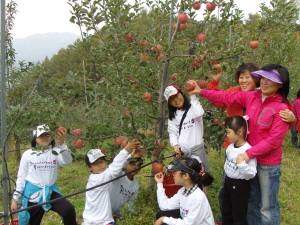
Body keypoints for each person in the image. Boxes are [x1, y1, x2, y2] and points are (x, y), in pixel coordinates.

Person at [189, 64, 292, 225]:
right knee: (251, 201)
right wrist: (200, 91)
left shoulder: (282, 108)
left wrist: (247, 154)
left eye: (270, 80)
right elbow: (225, 97)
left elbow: (274, 141)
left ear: (280, 84)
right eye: (263, 78)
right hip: (248, 160)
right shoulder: (252, 96)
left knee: (267, 206)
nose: (264, 82)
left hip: (266, 164)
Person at [11, 124, 77, 225]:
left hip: (50, 192)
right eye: (41, 136)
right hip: (33, 195)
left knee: (68, 210)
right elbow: (21, 177)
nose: (44, 138)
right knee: (32, 222)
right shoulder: (28, 154)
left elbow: (67, 160)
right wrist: (15, 199)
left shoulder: (55, 152)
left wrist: (62, 144)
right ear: (35, 139)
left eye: (47, 135)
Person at [164, 85, 213, 188]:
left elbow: (200, 113)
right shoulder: (173, 116)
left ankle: (200, 201)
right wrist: (175, 146)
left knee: (198, 183)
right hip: (184, 156)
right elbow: (172, 133)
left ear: (181, 92)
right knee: (186, 184)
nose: (176, 100)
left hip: (197, 156)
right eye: (172, 100)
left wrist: (193, 96)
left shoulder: (193, 109)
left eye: (176, 96)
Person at [82, 140, 140, 225]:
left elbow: (117, 167)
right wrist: (126, 149)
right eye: (96, 163)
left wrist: (131, 156)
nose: (101, 165)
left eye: (102, 161)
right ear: (89, 167)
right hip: (99, 222)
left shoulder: (97, 177)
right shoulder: (98, 179)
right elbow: (114, 169)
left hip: (96, 219)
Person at [154, 157, 214, 225]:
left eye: (175, 171)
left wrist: (164, 219)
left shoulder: (197, 199)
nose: (173, 174)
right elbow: (164, 205)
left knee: (164, 219)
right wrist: (159, 184)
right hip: (188, 221)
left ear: (185, 176)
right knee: (161, 214)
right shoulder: (182, 191)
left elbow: (188, 224)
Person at [222, 116, 257, 225]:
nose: (227, 135)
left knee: (238, 213)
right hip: (228, 182)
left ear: (240, 132)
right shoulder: (230, 147)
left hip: (240, 185)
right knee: (226, 209)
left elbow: (251, 173)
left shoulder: (247, 150)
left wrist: (241, 164)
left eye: (229, 132)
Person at [110, 149, 144, 225]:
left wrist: (133, 217)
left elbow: (132, 203)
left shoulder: (135, 184)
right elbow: (118, 164)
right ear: (125, 164)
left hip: (115, 212)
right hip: (104, 209)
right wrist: (130, 155)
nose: (135, 167)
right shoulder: (118, 174)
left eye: (138, 164)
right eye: (132, 164)